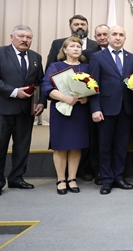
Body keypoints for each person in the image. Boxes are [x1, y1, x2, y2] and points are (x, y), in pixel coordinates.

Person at [0, 25, 46, 197]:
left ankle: (17, 178)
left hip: (26, 111)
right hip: (2, 109)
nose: (25, 40)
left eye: (29, 37)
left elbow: (40, 82)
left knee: (22, 146)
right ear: (12, 37)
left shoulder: (36, 57)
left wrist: (40, 102)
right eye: (21, 36)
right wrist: (14, 92)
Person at [88, 25, 133, 195]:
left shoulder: (132, 58)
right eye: (114, 34)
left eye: (121, 35)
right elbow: (92, 85)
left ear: (125, 38)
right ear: (108, 37)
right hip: (105, 109)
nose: (118, 37)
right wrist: (95, 108)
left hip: (126, 109)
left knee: (121, 145)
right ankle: (107, 179)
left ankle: (119, 176)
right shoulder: (97, 57)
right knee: (105, 145)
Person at [42, 37, 91, 195]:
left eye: (78, 46)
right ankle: (61, 179)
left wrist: (86, 97)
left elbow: (94, 87)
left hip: (79, 110)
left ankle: (72, 178)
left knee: (76, 145)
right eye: (72, 46)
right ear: (64, 49)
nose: (76, 48)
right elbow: (46, 87)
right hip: (61, 110)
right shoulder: (55, 66)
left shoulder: (86, 67)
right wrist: (65, 98)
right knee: (61, 146)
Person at [80, 24, 110, 184]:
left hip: (113, 103)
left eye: (105, 34)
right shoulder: (88, 54)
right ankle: (95, 170)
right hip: (94, 102)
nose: (102, 37)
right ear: (95, 37)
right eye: (99, 35)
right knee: (94, 139)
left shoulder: (119, 54)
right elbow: (87, 78)